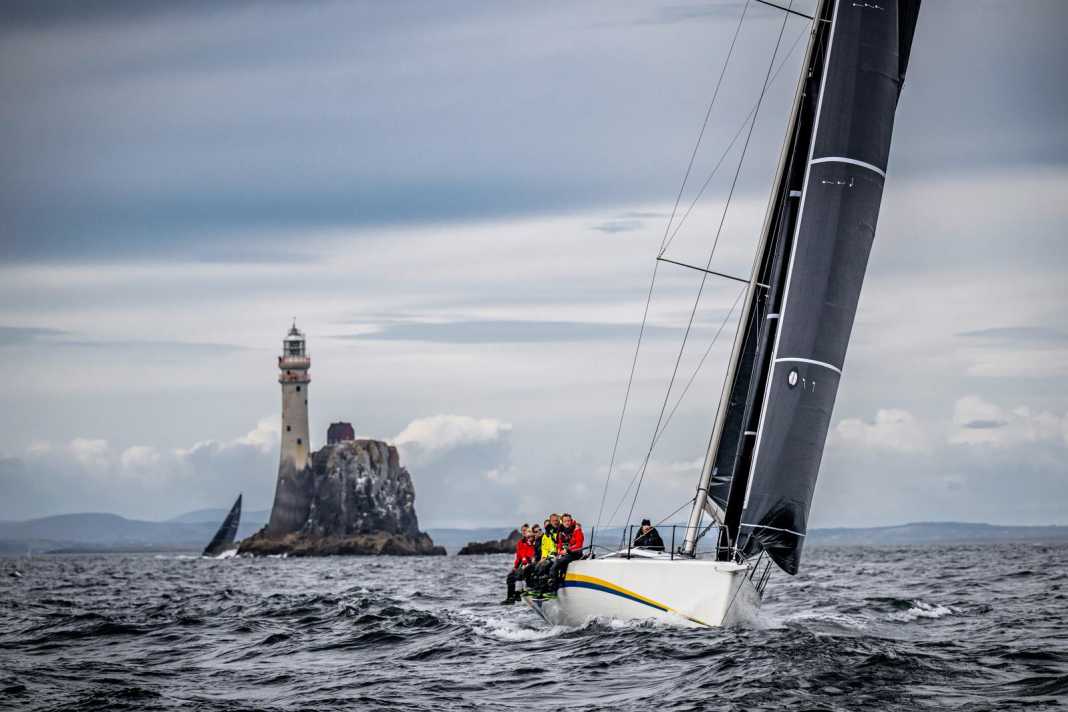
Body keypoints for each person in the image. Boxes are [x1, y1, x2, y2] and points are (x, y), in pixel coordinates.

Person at [548, 513, 584, 592]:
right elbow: (559, 545)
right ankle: (555, 583)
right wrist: (559, 552)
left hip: (575, 553)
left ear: (571, 521)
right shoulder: (561, 531)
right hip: (565, 554)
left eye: (568, 521)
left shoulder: (576, 530)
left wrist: (567, 550)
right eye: (565, 521)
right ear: (562, 522)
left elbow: (579, 545)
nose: (567, 523)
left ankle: (554, 588)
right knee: (552, 562)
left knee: (558, 562)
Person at [502, 526, 538, 605]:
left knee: (521, 572)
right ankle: (511, 598)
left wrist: (529, 560)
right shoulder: (522, 543)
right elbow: (519, 557)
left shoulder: (537, 543)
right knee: (511, 576)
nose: (529, 537)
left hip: (532, 563)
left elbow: (534, 554)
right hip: (524, 563)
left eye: (531, 535)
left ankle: (519, 592)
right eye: (528, 535)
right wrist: (515, 567)